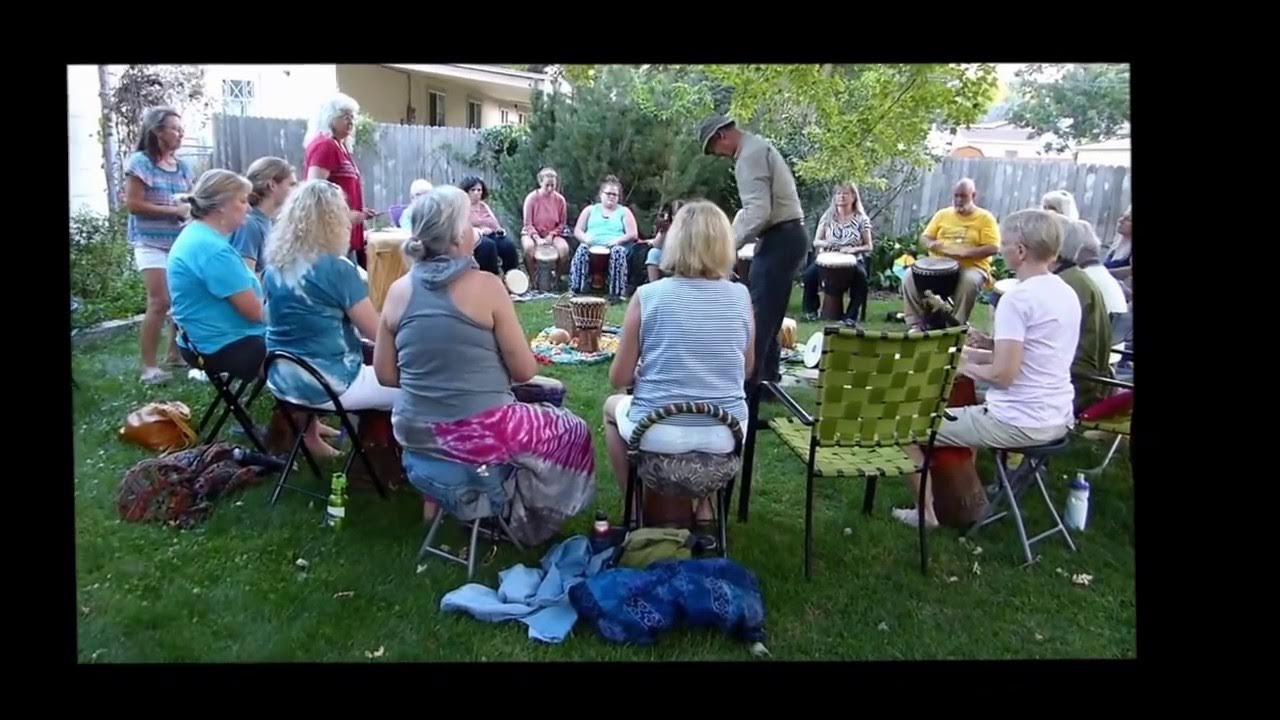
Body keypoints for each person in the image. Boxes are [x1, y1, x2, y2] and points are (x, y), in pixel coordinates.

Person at [374, 186, 596, 546]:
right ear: (459, 236)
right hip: (477, 438)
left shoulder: (399, 290)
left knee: (524, 407)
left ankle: (444, 503)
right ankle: (525, 520)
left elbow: (386, 374)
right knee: (572, 429)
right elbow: (524, 371)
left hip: (415, 437)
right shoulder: (487, 287)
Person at [893, 209, 1080, 529]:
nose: (1001, 249)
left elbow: (1003, 376)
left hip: (1019, 421)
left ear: (1020, 251)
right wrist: (981, 347)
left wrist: (957, 361)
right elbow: (1030, 354)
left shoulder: (1016, 299)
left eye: (1005, 243)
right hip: (1058, 417)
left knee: (902, 428)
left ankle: (927, 515)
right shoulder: (1064, 292)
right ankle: (966, 493)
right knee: (964, 399)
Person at [603, 201, 754, 535]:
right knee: (714, 407)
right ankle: (705, 507)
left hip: (658, 435)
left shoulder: (648, 295)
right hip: (724, 438)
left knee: (611, 410)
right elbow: (746, 370)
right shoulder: (741, 297)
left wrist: (646, 370)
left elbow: (618, 379)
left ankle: (635, 513)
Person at [262, 180, 400, 458]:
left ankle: (311, 438)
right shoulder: (337, 268)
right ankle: (390, 460)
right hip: (329, 382)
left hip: (282, 377)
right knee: (416, 385)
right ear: (332, 220)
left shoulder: (276, 265)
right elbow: (377, 332)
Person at [699, 115, 806, 389]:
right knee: (771, 314)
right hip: (790, 236)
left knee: (758, 315)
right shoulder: (758, 147)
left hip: (779, 239)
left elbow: (759, 212)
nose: (719, 156)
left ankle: (748, 385)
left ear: (721, 135)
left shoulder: (748, 156)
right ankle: (768, 379)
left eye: (714, 150)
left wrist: (727, 246)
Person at [166, 169, 265, 384]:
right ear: (221, 206)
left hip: (200, 341)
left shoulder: (198, 235)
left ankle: (298, 416)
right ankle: (294, 416)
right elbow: (255, 312)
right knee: (308, 344)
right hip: (225, 345)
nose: (248, 207)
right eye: (242, 201)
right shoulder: (212, 250)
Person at [125, 107, 196, 385]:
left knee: (180, 300)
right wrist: (173, 212)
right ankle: (148, 366)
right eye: (174, 129)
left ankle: (174, 355)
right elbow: (133, 204)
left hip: (179, 242)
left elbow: (188, 200)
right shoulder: (140, 162)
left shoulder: (184, 167)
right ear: (157, 131)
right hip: (150, 242)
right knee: (159, 302)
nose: (180, 134)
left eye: (181, 129)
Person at [902, 178, 1000, 329]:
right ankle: (916, 323)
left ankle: (955, 323)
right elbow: (924, 238)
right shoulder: (943, 214)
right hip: (939, 265)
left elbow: (993, 247)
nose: (959, 200)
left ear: (973, 196)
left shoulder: (985, 218)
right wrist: (932, 244)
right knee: (909, 275)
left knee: (969, 281)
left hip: (971, 266)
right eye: (956, 196)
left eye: (963, 196)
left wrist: (967, 253)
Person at [304, 93, 378, 268]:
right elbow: (314, 194)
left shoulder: (340, 146)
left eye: (352, 117)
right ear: (329, 119)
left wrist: (359, 211)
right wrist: (346, 216)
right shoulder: (325, 146)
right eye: (345, 117)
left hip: (345, 237)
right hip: (332, 240)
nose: (351, 121)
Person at [802, 181, 874, 326]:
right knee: (809, 276)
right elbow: (816, 241)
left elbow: (869, 246)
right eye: (839, 193)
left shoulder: (861, 219)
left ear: (853, 197)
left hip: (853, 259)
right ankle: (810, 311)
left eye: (845, 193)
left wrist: (853, 250)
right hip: (827, 258)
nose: (841, 197)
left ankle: (851, 316)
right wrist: (827, 244)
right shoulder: (828, 217)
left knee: (861, 279)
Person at [569, 175, 639, 298]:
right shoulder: (590, 210)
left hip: (615, 246)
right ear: (601, 194)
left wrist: (617, 241)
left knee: (618, 252)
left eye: (615, 195)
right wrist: (585, 239)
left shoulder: (624, 212)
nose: (611, 197)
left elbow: (633, 234)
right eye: (608, 194)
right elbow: (578, 230)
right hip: (592, 245)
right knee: (582, 250)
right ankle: (576, 289)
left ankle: (616, 292)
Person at [229, 157, 297, 276]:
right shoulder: (249, 225)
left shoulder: (270, 221)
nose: (295, 191)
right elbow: (246, 278)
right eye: (291, 185)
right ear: (272, 185)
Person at [460, 175, 519, 277]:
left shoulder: (484, 206)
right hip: (474, 238)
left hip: (491, 233)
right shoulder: (462, 207)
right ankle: (492, 278)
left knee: (508, 245)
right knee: (489, 246)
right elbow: (462, 228)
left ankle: (511, 276)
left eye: (479, 190)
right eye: (473, 190)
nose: (477, 193)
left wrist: (499, 230)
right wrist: (480, 231)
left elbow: (494, 223)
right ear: (466, 192)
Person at [520, 167, 570, 278]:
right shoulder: (531, 198)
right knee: (528, 248)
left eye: (553, 185)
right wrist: (537, 238)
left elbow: (562, 224)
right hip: (532, 232)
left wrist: (551, 235)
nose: (550, 188)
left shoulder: (560, 200)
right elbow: (527, 223)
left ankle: (556, 278)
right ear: (540, 182)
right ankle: (533, 278)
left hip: (552, 232)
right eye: (547, 185)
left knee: (564, 249)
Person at [645, 200, 685, 283]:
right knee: (653, 253)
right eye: (674, 214)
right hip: (668, 255)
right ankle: (653, 285)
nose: (677, 217)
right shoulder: (668, 226)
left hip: (685, 256)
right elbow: (656, 245)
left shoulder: (692, 227)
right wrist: (663, 231)